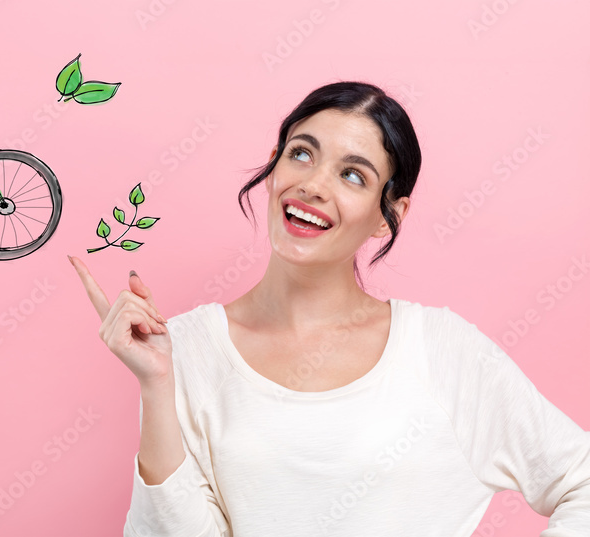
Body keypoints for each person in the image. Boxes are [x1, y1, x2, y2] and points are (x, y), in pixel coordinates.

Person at [68, 81, 590, 536]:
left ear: (389, 215)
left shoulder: (440, 349)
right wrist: (156, 384)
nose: (312, 185)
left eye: (353, 175)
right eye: (300, 153)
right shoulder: (183, 347)